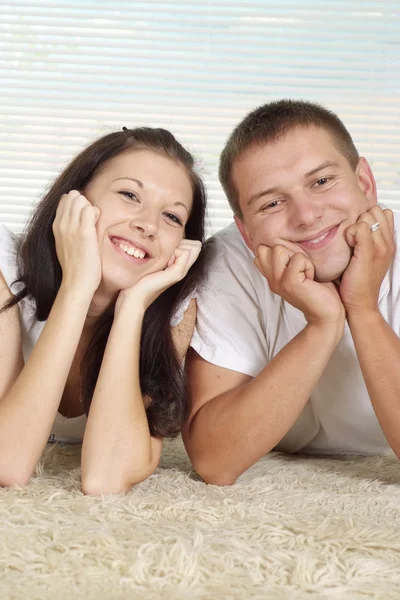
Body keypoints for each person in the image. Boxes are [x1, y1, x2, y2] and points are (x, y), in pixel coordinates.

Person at [183, 99, 399, 486]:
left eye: (321, 181)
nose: (306, 215)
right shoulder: (226, 261)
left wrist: (362, 308)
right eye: (272, 203)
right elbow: (215, 460)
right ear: (247, 231)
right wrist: (322, 324)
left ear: (364, 184)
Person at [0, 126, 206, 494]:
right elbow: (7, 463)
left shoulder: (173, 307)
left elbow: (106, 478)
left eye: (172, 217)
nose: (147, 225)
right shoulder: (5, 273)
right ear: (74, 199)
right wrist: (77, 287)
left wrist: (133, 306)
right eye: (129, 194)